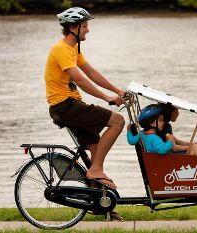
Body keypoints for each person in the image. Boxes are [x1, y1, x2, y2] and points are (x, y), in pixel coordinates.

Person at [44, 7, 125, 190]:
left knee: (96, 148)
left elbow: (91, 72)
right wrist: (106, 98)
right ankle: (95, 170)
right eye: (85, 26)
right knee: (118, 121)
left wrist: (117, 90)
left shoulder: (74, 49)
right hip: (65, 106)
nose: (88, 29)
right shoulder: (61, 49)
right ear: (74, 27)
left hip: (71, 105)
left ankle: (98, 200)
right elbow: (80, 80)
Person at [127, 104, 197, 155]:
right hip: (160, 159)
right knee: (195, 148)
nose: (163, 122)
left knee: (196, 146)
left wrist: (129, 131)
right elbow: (161, 150)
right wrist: (169, 142)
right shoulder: (155, 138)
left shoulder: (142, 133)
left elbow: (131, 141)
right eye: (160, 120)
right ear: (151, 123)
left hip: (155, 158)